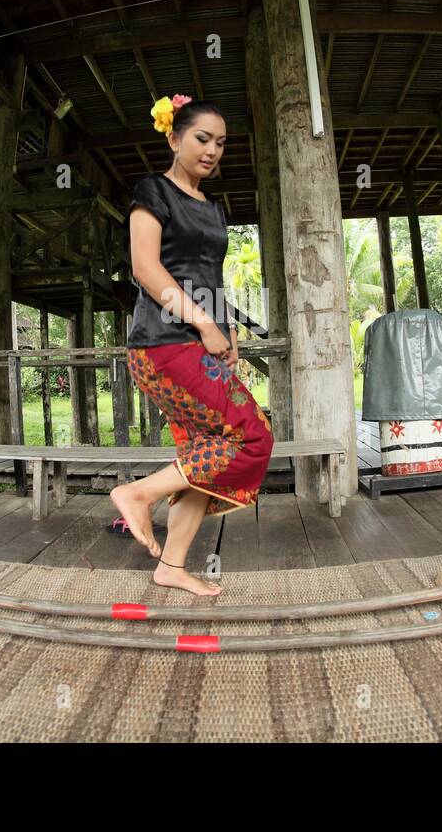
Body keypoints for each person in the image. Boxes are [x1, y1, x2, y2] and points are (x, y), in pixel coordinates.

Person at [110, 94, 275, 597]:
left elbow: (211, 277)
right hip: (162, 343)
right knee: (252, 436)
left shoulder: (213, 207)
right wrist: (204, 324)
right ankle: (137, 493)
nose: (212, 150)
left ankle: (172, 566)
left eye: (221, 143)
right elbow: (146, 268)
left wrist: (225, 335)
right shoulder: (152, 191)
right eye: (202, 138)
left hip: (201, 343)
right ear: (174, 137)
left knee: (206, 457)